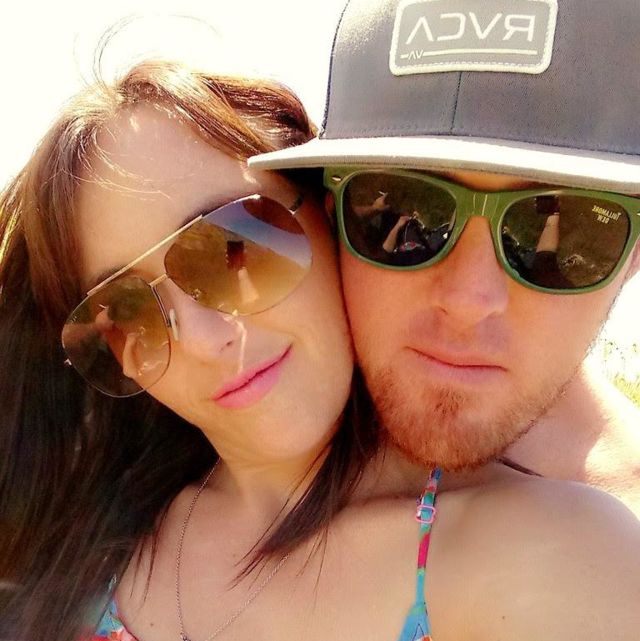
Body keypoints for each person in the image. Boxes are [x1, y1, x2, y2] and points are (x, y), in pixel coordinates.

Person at [1, 57, 639, 641]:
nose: (203, 340)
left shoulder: (554, 558)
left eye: (235, 248)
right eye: (126, 313)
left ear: (337, 218)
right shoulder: (84, 540)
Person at [249, 0, 640, 514]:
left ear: (633, 257)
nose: (467, 301)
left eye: (568, 228)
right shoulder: (217, 446)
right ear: (333, 222)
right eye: (400, 209)